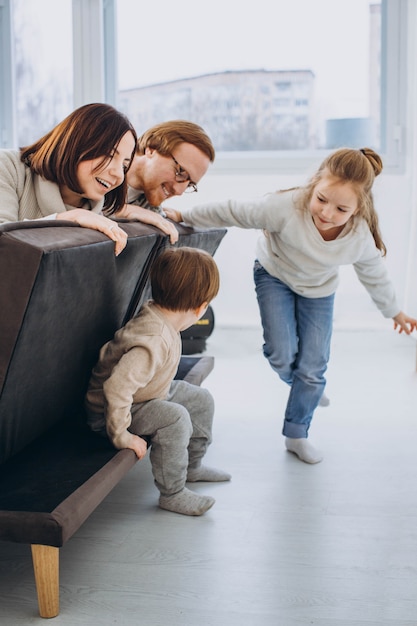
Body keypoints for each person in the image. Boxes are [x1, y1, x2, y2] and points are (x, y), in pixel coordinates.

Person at [165, 147, 417, 464]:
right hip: (275, 275)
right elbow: (233, 210)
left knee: (314, 366)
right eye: (322, 199)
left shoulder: (360, 238)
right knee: (280, 353)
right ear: (314, 185)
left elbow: (375, 276)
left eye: (341, 209)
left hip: (319, 290)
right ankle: (305, 388)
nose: (327, 213)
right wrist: (185, 215)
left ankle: (298, 430)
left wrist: (394, 311)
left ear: (359, 208)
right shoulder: (286, 207)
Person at [85, 246, 231, 516]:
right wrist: (122, 436)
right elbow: (116, 388)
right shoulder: (152, 340)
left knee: (200, 399)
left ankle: (193, 467)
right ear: (200, 308)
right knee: (175, 418)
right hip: (114, 412)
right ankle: (172, 492)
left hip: (147, 395)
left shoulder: (162, 315)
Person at [0, 103, 137, 256]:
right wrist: (68, 219)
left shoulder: (101, 223)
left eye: (124, 166)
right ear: (76, 144)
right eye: (109, 155)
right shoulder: (7, 165)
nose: (119, 174)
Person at [119, 120, 215, 244]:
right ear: (152, 150)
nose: (179, 191)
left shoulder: (152, 211)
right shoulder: (100, 169)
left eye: (190, 184)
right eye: (181, 172)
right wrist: (124, 210)